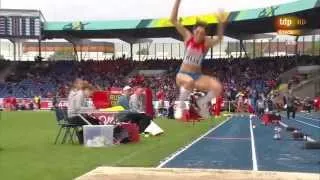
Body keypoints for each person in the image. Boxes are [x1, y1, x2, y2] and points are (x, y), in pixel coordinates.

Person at [170, 0, 227, 119]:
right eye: (198, 32)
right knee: (189, 81)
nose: (199, 35)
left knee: (217, 87)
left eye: (202, 33)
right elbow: (173, 20)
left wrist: (221, 23)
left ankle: (202, 102)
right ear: (194, 31)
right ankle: (180, 106)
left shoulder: (206, 43)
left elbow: (220, 39)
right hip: (182, 75)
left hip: (197, 76)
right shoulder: (187, 37)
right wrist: (177, 2)